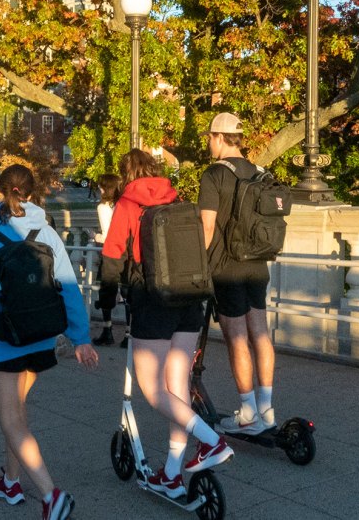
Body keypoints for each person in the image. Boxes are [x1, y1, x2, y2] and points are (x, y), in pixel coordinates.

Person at [0, 165, 98, 520]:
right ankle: (11, 481)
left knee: (10, 419)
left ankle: (51, 495)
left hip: (5, 340)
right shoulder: (47, 233)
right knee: (19, 409)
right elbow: (70, 289)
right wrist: (81, 338)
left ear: (0, 191)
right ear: (33, 192)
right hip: (42, 336)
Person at [99, 149, 232, 500]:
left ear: (127, 174)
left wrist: (107, 304)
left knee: (154, 390)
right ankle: (172, 474)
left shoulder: (128, 205)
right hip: (188, 302)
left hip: (152, 302)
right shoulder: (177, 200)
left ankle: (211, 440)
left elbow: (112, 258)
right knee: (177, 390)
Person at [198, 112, 277, 435]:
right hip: (257, 263)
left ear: (219, 137)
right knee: (260, 331)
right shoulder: (260, 172)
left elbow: (206, 226)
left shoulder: (214, 174)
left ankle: (246, 411)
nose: (208, 143)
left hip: (226, 265)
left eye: (209, 138)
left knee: (236, 337)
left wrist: (198, 267)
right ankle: (267, 409)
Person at [91, 173, 122, 347]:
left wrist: (95, 236)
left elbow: (108, 234)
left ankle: (107, 330)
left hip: (111, 253)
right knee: (126, 292)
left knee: (105, 290)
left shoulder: (104, 207)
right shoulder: (122, 204)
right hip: (126, 253)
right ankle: (127, 334)